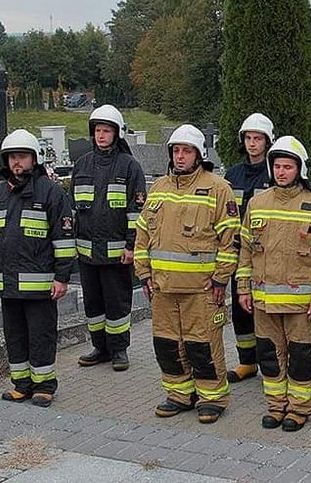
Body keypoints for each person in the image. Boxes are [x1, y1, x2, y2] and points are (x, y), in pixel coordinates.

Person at [134, 124, 240, 424]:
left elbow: (229, 239)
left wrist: (221, 277)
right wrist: (144, 273)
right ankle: (180, 394)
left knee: (202, 345)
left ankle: (212, 397)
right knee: (167, 344)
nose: (180, 156)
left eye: (186, 151)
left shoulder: (218, 189)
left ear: (199, 154)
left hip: (202, 289)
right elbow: (143, 235)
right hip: (163, 288)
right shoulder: (159, 188)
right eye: (176, 150)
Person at [236, 136, 311, 432]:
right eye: (278, 166)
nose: (281, 172)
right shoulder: (257, 203)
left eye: (288, 167)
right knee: (268, 355)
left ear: (300, 170)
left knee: (301, 357)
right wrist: (243, 289)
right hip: (264, 301)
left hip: (302, 304)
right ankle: (276, 406)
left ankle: (299, 408)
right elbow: (245, 250)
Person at [0, 129, 76, 408]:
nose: (17, 163)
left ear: (34, 159)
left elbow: (63, 239)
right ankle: (21, 384)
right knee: (15, 337)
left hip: (40, 287)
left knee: (41, 336)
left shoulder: (51, 193)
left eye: (22, 156)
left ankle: (44, 386)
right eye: (12, 157)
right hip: (8, 285)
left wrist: (62, 278)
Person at [72, 105, 146, 372]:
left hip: (117, 253)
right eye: (98, 131)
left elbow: (136, 211)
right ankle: (99, 347)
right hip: (87, 253)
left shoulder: (129, 166)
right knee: (93, 304)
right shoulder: (82, 165)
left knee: (117, 303)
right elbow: (73, 210)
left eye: (107, 131)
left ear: (117, 134)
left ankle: (119, 350)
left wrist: (131, 245)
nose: (101, 135)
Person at [223, 113, 274, 384]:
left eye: (258, 139)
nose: (252, 143)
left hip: (265, 253)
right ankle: (246, 362)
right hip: (238, 251)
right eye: (249, 138)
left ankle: (270, 363)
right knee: (241, 311)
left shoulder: (275, 171)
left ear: (267, 142)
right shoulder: (233, 174)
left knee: (265, 311)